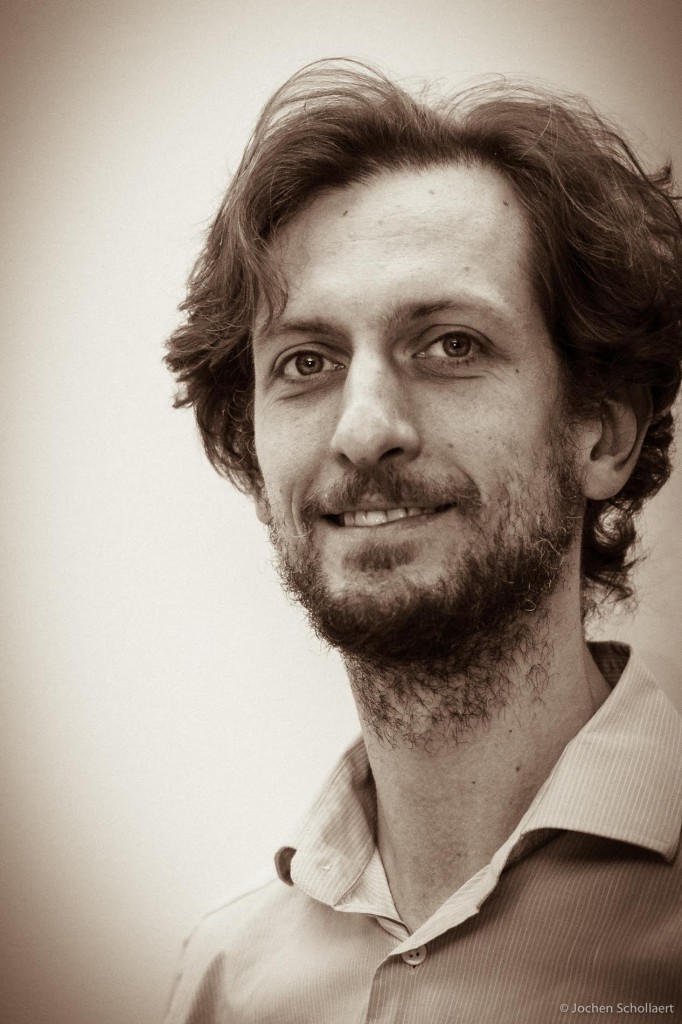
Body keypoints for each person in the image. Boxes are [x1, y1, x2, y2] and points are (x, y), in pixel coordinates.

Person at [163, 60, 682, 1023]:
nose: (365, 430)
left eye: (451, 345)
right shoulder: (225, 983)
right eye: (306, 361)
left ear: (604, 433)